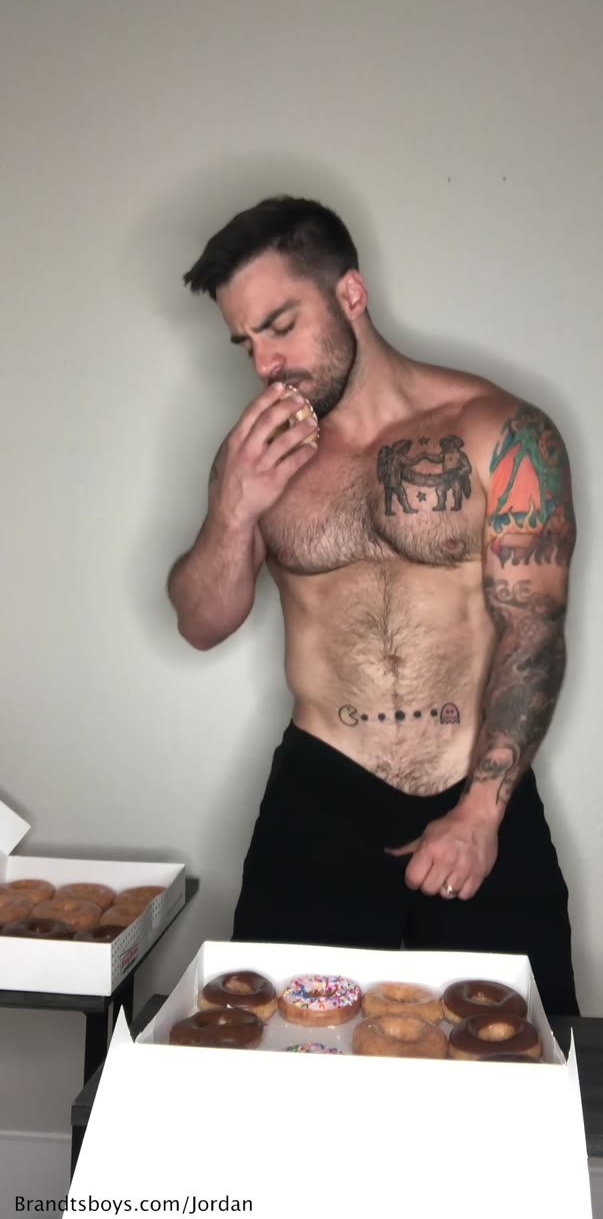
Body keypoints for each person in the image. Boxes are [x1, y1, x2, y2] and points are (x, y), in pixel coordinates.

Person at [167, 196, 580, 1015]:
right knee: (283, 1053)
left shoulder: (501, 432)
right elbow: (201, 623)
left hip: (476, 790)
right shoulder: (258, 454)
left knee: (510, 1057)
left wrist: (481, 814)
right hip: (320, 794)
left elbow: (534, 630)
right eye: (246, 342)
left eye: (280, 326)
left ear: (350, 294)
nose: (265, 363)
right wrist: (232, 510)